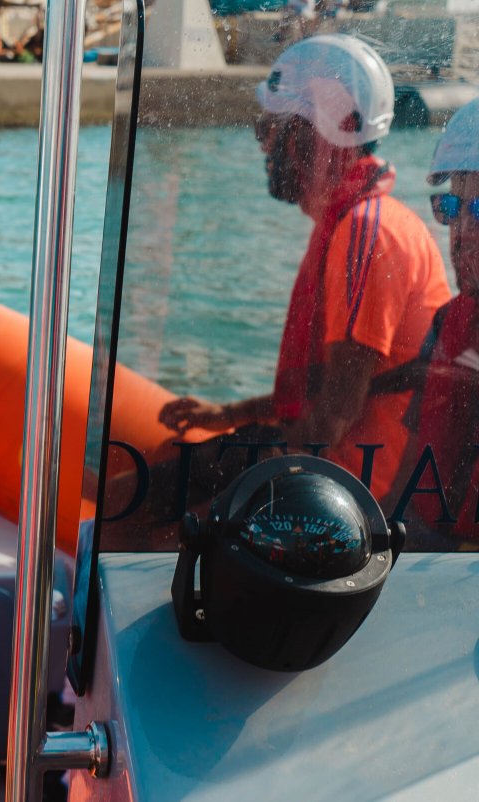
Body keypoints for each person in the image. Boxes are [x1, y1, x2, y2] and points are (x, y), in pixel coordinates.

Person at [159, 35, 450, 503]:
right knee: (159, 469)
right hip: (329, 474)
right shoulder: (349, 221)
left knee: (132, 506)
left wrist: (215, 511)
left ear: (318, 135)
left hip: (343, 494)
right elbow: (324, 382)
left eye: (272, 125)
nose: (259, 138)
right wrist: (229, 414)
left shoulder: (366, 232)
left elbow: (333, 417)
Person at [382, 97, 479, 545]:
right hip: (425, 567)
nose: (460, 231)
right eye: (451, 206)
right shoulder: (448, 323)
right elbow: (405, 487)